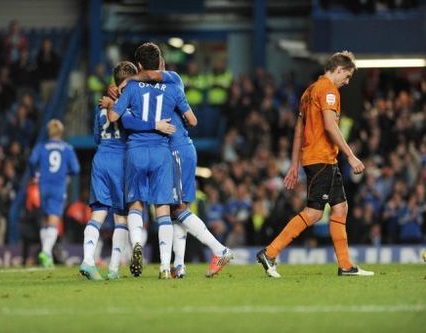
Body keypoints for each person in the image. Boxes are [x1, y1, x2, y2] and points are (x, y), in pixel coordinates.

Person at [256, 51, 374, 278]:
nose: (347, 82)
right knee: (313, 213)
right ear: (338, 70)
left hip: (319, 158)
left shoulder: (308, 92)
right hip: (321, 158)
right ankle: (270, 253)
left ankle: (346, 265)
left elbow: (299, 131)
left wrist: (294, 164)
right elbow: (330, 126)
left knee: (340, 208)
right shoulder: (329, 90)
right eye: (347, 76)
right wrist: (350, 155)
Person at [120, 65, 234, 278]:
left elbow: (152, 77)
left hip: (176, 151)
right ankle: (179, 266)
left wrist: (131, 80)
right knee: (176, 210)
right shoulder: (158, 90)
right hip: (176, 151)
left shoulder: (171, 80)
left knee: (179, 210)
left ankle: (220, 250)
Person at [101, 42, 195, 279]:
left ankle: (136, 244)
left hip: (136, 151)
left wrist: (114, 101)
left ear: (140, 66)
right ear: (160, 63)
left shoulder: (131, 88)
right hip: (162, 151)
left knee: (135, 205)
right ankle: (165, 266)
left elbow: (113, 116)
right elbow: (193, 120)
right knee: (163, 209)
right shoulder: (172, 86)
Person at [79, 61, 175, 281]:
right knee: (121, 217)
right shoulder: (130, 102)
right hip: (121, 160)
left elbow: (95, 137)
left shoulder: (102, 106)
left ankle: (87, 261)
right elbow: (131, 124)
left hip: (100, 158)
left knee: (98, 213)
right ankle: (113, 268)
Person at [29, 119, 80, 267]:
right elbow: (76, 169)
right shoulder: (67, 148)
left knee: (45, 218)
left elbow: (32, 161)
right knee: (54, 218)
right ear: (61, 132)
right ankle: (45, 251)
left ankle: (47, 255)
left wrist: (35, 174)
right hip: (58, 186)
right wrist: (66, 174)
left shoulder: (42, 146)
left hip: (43, 185)